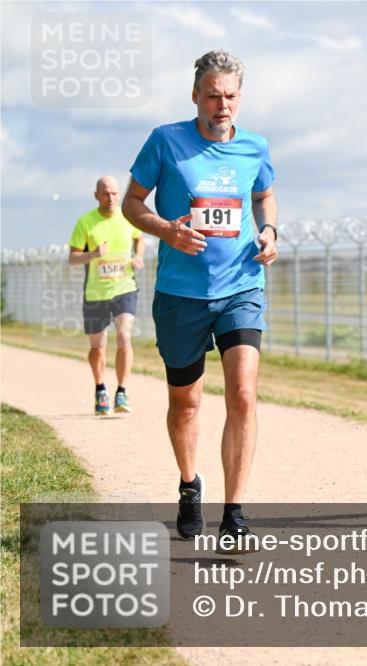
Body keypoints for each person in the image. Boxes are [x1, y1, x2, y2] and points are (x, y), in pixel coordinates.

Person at [122, 50, 278, 554]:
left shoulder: (255, 146)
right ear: (195, 95)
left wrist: (271, 230)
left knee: (244, 393)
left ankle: (235, 514)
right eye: (212, 95)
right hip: (181, 295)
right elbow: (131, 203)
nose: (222, 105)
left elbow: (264, 195)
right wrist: (168, 230)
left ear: (240, 98)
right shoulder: (165, 141)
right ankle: (190, 484)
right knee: (185, 404)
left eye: (230, 96)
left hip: (242, 286)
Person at [68, 176, 145, 415]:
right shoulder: (85, 223)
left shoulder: (127, 216)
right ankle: (100, 389)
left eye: (113, 193)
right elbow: (72, 258)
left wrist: (138, 256)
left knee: (124, 336)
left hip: (124, 289)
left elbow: (139, 238)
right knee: (98, 347)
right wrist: (93, 255)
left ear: (119, 193)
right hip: (95, 292)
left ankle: (121, 392)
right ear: (96, 196)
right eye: (105, 194)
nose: (110, 198)